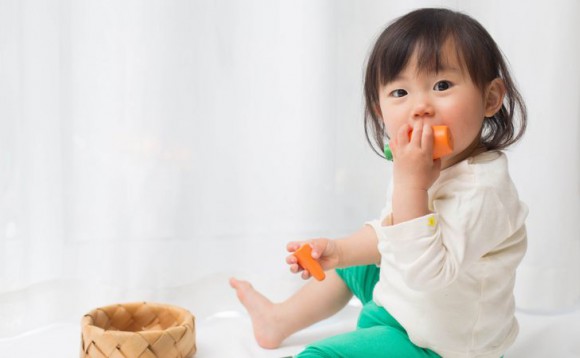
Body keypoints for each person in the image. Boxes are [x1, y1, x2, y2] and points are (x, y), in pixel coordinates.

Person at [230, 7, 528, 358]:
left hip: (439, 345)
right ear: (379, 110)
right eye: (400, 93)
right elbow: (392, 235)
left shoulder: (484, 191)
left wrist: (411, 186)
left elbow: (426, 275)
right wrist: (337, 252)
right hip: (403, 309)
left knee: (319, 355)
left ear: (491, 98)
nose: (420, 107)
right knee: (353, 261)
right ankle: (278, 320)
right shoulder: (423, 166)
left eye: (442, 85)